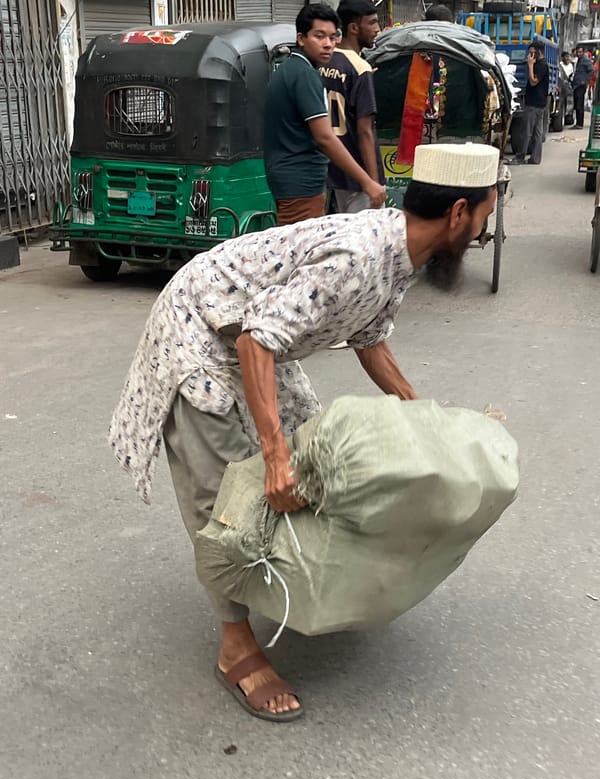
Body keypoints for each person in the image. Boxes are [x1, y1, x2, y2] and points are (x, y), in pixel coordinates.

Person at [108, 142, 499, 722]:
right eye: (487, 216)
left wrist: (428, 420)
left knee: (308, 449)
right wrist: (271, 458)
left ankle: (281, 577)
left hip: (254, 332)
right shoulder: (358, 256)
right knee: (227, 499)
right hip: (199, 333)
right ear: (458, 213)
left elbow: (369, 339)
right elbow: (253, 342)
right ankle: (235, 644)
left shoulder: (402, 254)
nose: (485, 231)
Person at [263, 3, 386, 225]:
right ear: (301, 38)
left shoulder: (292, 69)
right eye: (319, 36)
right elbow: (325, 137)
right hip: (300, 181)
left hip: (293, 177)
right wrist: (368, 182)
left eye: (332, 37)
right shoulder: (304, 75)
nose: (328, 44)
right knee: (301, 250)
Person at [319, 0, 384, 213]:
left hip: (329, 170)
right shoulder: (360, 68)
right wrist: (372, 183)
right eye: (372, 23)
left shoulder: (322, 62)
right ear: (354, 28)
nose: (378, 29)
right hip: (357, 174)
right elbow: (364, 131)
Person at [509, 40, 548, 165]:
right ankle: (535, 158)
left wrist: (530, 66)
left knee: (526, 131)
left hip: (534, 103)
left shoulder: (541, 65)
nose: (530, 55)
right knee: (537, 132)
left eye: (532, 52)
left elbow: (533, 81)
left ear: (539, 51)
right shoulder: (541, 63)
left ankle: (520, 157)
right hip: (539, 103)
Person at [572, 44, 594, 129]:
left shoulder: (586, 60)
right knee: (577, 104)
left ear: (583, 52)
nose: (579, 53)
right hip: (576, 85)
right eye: (578, 52)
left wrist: (585, 80)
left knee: (579, 105)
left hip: (581, 85)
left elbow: (591, 71)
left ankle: (580, 124)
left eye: (580, 52)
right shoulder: (579, 60)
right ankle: (578, 123)